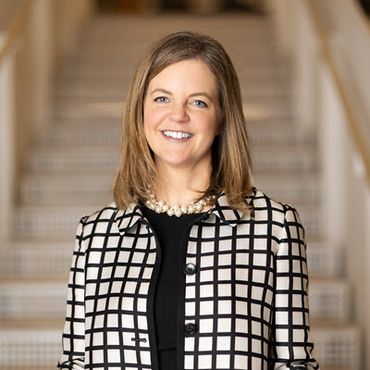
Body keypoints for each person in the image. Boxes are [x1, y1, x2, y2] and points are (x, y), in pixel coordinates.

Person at [57, 31, 320, 369]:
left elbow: (295, 364)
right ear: (140, 111)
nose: (177, 116)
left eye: (198, 102)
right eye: (162, 98)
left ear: (222, 117)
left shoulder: (275, 228)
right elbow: (76, 362)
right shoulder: (94, 233)